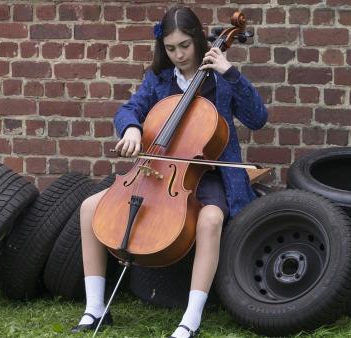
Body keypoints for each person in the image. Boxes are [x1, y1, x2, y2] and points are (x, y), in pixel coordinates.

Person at [71, 6, 267, 338]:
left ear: (199, 41)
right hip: (159, 169)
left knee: (210, 220)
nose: (178, 55)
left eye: (185, 46)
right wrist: (131, 129)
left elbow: (258, 118)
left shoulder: (221, 79)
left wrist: (231, 72)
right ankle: (95, 310)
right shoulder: (159, 80)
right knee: (90, 207)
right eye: (171, 48)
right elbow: (129, 109)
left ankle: (191, 318)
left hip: (210, 175)